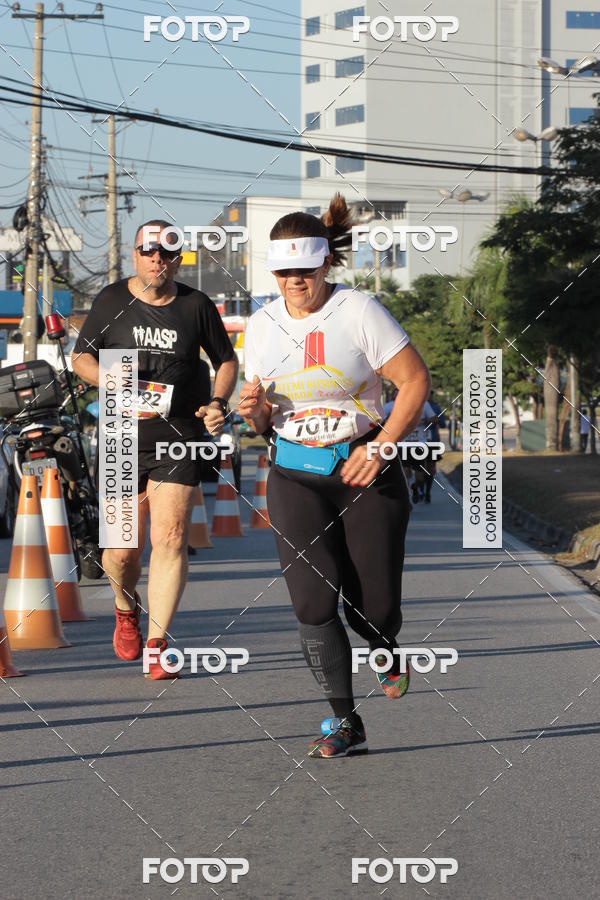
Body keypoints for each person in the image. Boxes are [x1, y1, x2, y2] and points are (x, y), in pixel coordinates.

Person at [239, 195, 431, 757]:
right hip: (295, 471)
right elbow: (263, 416)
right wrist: (253, 411)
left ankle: (384, 645)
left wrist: (384, 446)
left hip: (365, 464)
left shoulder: (359, 311)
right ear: (272, 270)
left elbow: (414, 381)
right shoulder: (262, 324)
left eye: (305, 269)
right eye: (284, 271)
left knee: (373, 610)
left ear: (326, 263)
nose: (295, 281)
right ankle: (345, 721)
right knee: (313, 605)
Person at [72, 221, 238, 678]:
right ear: (135, 255)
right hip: (124, 433)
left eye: (166, 254)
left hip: (179, 433)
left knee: (169, 538)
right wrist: (107, 377)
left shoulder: (195, 305)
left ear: (178, 259)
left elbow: (226, 359)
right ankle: (126, 609)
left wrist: (218, 402)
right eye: (149, 252)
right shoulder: (110, 300)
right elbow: (81, 356)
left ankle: (157, 644)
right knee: (122, 551)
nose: (157, 261)